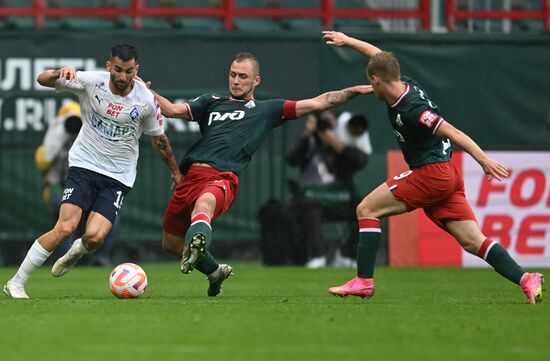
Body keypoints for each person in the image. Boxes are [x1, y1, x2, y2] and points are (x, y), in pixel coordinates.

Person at [322, 31, 544, 304]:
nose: (371, 87)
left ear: (376, 80)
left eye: (372, 82)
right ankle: (526, 278)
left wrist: (483, 160)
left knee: (366, 209)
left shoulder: (413, 109)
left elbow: (452, 131)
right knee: (473, 241)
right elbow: (378, 57)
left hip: (432, 173)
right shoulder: (404, 82)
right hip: (447, 175)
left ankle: (363, 282)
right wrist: (348, 40)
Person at [150, 52, 372, 297]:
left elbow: (319, 103)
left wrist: (354, 90)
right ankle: (214, 272)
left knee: (205, 204)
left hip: (222, 177)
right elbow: (169, 110)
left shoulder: (268, 109)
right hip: (190, 177)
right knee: (170, 244)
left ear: (256, 81)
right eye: (233, 75)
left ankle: (199, 237)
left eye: (243, 76)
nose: (235, 81)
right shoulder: (210, 102)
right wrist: (142, 89)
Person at [3, 43, 182, 299]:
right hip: (84, 166)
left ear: (136, 69)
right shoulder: (90, 82)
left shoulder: (145, 100)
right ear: (109, 66)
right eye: (118, 69)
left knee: (95, 238)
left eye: (129, 71)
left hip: (118, 176)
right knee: (65, 226)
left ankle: (78, 250)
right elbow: (41, 79)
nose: (122, 76)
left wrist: (175, 172)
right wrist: (57, 73)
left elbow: (160, 140)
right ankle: (17, 282)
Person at [35, 101, 116, 266]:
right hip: (59, 186)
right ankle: (67, 259)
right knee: (65, 219)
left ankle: (100, 258)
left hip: (88, 186)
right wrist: (61, 133)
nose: (74, 125)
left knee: (111, 213)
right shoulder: (57, 135)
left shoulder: (93, 136)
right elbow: (43, 161)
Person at [286, 110, 371, 268]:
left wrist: (334, 141)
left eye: (328, 122)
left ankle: (346, 254)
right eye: (321, 122)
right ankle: (317, 255)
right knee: (308, 207)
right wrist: (307, 134)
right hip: (314, 201)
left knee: (368, 209)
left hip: (342, 200)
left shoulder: (344, 141)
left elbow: (359, 161)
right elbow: (291, 159)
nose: (324, 127)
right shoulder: (310, 142)